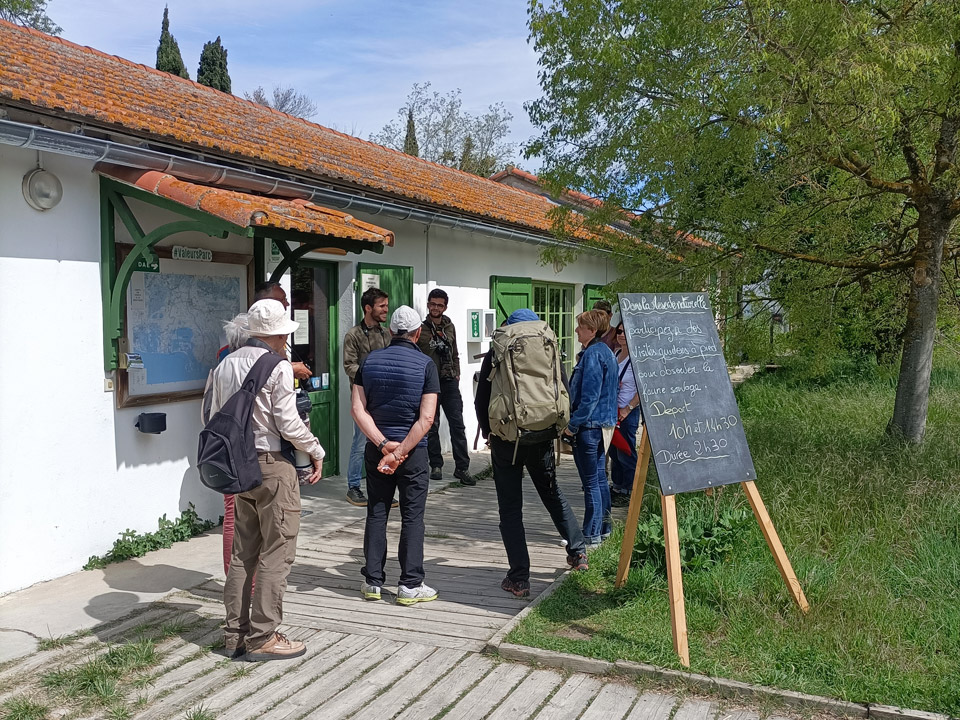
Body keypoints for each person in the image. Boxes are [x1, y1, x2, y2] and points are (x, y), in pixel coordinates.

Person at [209, 299, 324, 661]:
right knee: (278, 550)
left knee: (243, 552)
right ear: (277, 335)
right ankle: (264, 636)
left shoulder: (225, 363)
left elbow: (208, 414)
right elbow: (289, 424)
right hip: (273, 465)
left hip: (238, 467)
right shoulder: (276, 367)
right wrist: (316, 450)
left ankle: (235, 635)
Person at [476, 309, 589, 598]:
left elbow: (482, 399)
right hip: (542, 436)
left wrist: (488, 433)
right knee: (552, 494)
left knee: (511, 508)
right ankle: (577, 552)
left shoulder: (499, 350)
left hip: (507, 440)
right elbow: (562, 389)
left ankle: (519, 578)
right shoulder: (548, 347)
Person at [352, 306, 440, 605]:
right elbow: (426, 419)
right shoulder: (426, 364)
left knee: (377, 512)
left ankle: (373, 582)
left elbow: (358, 409)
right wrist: (400, 451)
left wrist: (382, 445)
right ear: (417, 333)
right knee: (412, 516)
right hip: (412, 453)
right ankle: (410, 585)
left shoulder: (369, 361)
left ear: (390, 331)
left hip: (378, 451)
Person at [563, 309, 618, 547]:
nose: (576, 330)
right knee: (599, 479)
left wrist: (572, 426)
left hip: (589, 425)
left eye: (580, 326)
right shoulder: (606, 351)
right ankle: (604, 528)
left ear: (592, 330)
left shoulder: (594, 354)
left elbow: (590, 397)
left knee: (591, 482)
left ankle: (590, 534)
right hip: (602, 424)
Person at [417, 288, 475, 486]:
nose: (435, 308)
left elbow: (455, 352)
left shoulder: (450, 327)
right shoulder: (421, 329)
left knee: (457, 424)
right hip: (430, 382)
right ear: (428, 304)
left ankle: (462, 468)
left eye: (439, 305)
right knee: (431, 425)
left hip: (449, 381)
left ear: (445, 307)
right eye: (432, 304)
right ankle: (436, 465)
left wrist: (457, 373)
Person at [342, 287, 390, 506]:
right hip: (361, 397)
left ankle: (382, 489)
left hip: (382, 397)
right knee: (360, 443)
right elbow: (348, 366)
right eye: (381, 306)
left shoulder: (386, 333)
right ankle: (353, 487)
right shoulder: (353, 334)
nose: (385, 310)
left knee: (383, 442)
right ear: (368, 308)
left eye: (386, 306)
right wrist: (371, 372)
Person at [610, 321, 641, 507]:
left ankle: (630, 490)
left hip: (627, 411)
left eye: (624, 332)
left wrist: (628, 408)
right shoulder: (616, 354)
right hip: (613, 410)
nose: (621, 335)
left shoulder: (636, 360)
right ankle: (618, 486)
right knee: (614, 450)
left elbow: (642, 388)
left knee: (626, 451)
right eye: (619, 331)